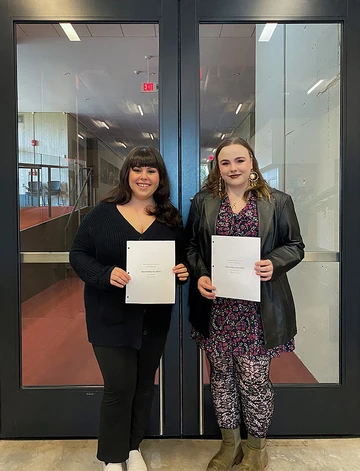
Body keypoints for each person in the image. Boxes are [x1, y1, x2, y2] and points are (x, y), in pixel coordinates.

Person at [185, 137, 304, 471]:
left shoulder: (278, 202)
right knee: (221, 377)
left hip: (257, 310)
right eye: (225, 163)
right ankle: (229, 444)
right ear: (217, 168)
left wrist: (274, 262)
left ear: (251, 162)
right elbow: (192, 246)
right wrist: (201, 274)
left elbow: (295, 245)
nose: (233, 168)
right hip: (217, 308)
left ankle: (255, 448)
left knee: (254, 380)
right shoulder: (205, 201)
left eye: (239, 161)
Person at [70, 146, 189, 471]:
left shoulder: (170, 217)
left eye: (151, 171)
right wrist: (104, 274)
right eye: (137, 169)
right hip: (108, 315)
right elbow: (78, 254)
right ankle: (112, 457)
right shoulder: (103, 213)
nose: (143, 176)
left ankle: (133, 447)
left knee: (142, 385)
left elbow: (180, 263)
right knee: (118, 386)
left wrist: (182, 273)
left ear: (159, 177)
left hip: (153, 318)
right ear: (127, 174)